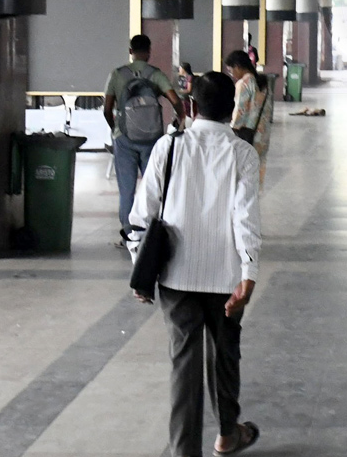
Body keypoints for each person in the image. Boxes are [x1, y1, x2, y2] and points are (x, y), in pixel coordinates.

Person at [127, 72, 262, 457]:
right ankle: (227, 434)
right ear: (232, 110)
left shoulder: (167, 148)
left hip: (176, 275)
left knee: (184, 364)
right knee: (225, 355)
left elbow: (143, 213)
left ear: (192, 106)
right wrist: (249, 274)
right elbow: (245, 216)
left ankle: (185, 451)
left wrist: (140, 268)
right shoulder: (242, 153)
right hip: (226, 276)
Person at [104, 34, 185, 245]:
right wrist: (179, 119)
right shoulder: (155, 75)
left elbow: (106, 109)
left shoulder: (117, 75)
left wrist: (116, 129)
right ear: (149, 52)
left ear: (130, 51)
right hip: (151, 139)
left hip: (124, 139)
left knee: (126, 190)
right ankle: (150, 234)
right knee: (153, 187)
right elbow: (176, 101)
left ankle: (129, 236)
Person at [225, 50, 275, 187]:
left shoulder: (244, 83)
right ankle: (255, 194)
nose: (232, 75)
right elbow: (269, 110)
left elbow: (239, 112)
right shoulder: (263, 83)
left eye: (231, 70)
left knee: (243, 172)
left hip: (247, 135)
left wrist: (231, 131)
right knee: (258, 166)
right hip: (263, 134)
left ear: (238, 66)